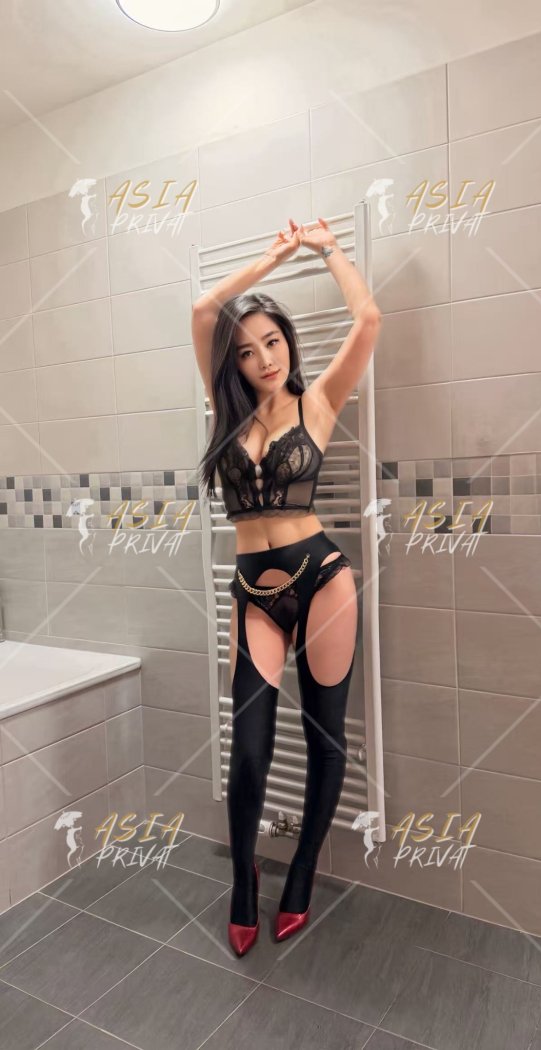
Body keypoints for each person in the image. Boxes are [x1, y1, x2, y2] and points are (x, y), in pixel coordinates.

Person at [192, 217, 381, 956]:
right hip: (253, 593)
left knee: (325, 737)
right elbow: (204, 310)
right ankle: (243, 880)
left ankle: (301, 873)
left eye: (272, 342)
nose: (263, 359)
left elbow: (368, 319)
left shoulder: (319, 402)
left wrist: (328, 250)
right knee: (250, 748)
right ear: (232, 362)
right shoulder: (226, 412)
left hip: (323, 578)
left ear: (290, 344)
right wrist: (270, 256)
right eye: (247, 350)